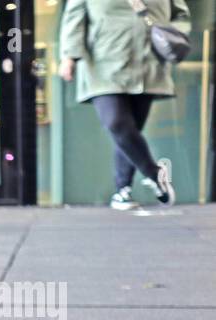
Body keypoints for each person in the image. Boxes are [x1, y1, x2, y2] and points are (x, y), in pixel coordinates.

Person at [59, 0, 191, 210]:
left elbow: (181, 15)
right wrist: (69, 57)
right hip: (103, 64)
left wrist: (173, 35)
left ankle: (122, 191)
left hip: (148, 65)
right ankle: (154, 173)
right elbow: (74, 19)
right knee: (116, 123)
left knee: (131, 131)